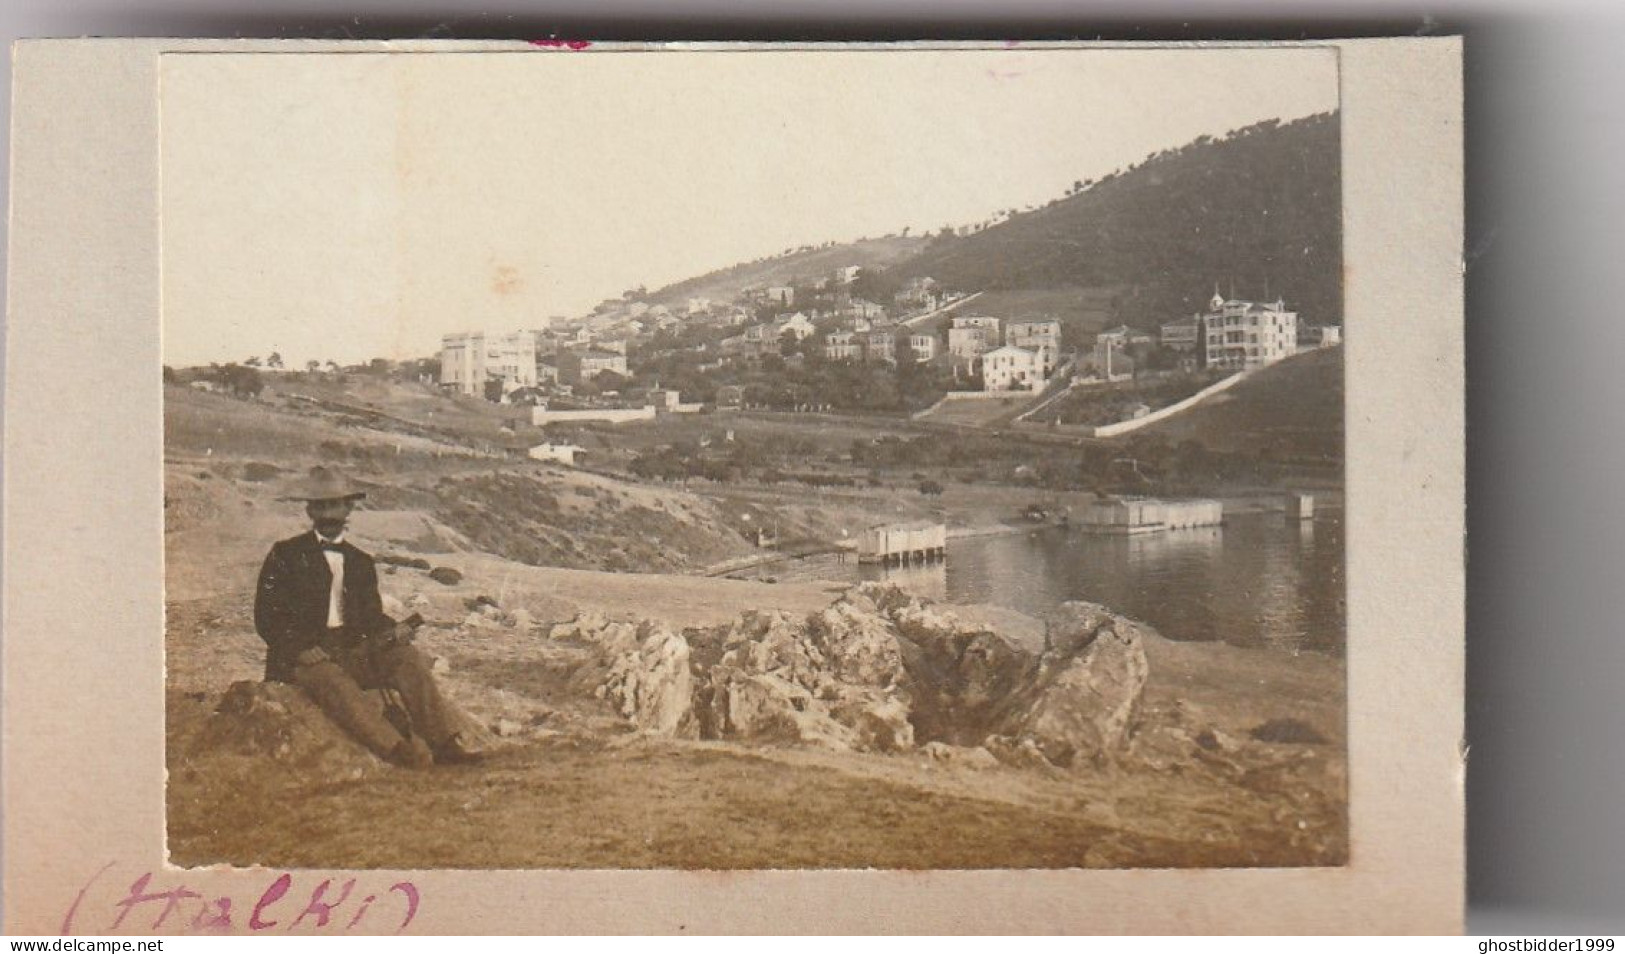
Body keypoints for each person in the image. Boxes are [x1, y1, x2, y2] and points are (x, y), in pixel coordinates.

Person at [254, 466, 482, 768]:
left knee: (407, 658)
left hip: (350, 652)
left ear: (348, 507)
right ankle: (397, 751)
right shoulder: (285, 554)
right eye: (320, 506)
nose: (328, 514)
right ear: (309, 510)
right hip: (301, 658)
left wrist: (395, 630)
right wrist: (300, 648)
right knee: (332, 679)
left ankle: (444, 744)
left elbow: (371, 617)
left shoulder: (359, 561)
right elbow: (267, 615)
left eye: (334, 505)